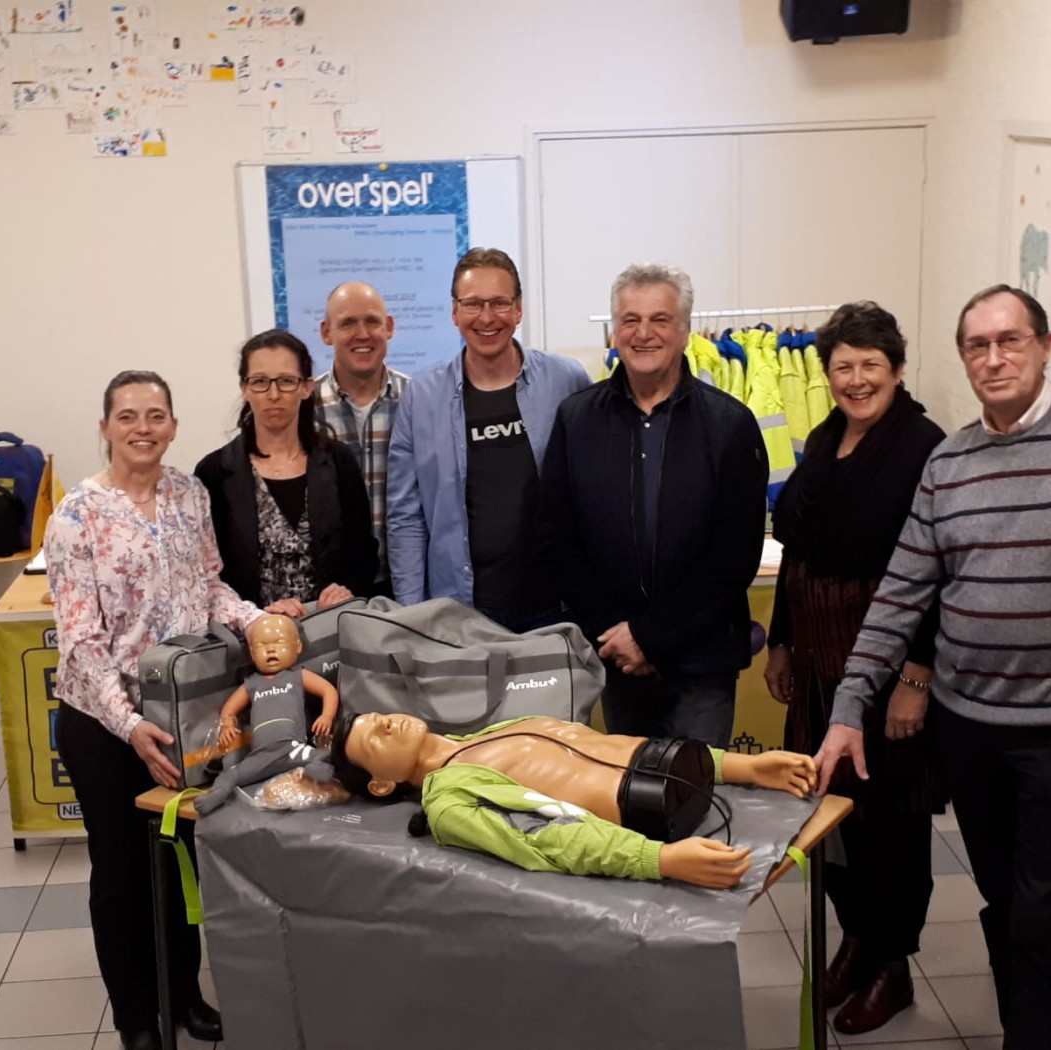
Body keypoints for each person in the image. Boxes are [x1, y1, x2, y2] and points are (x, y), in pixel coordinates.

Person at [814, 285, 1051, 1050]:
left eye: (1009, 340)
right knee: (1005, 903)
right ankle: (1027, 1026)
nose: (993, 358)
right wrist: (849, 706)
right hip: (969, 730)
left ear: (1044, 346)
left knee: (1043, 917)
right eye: (976, 345)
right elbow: (901, 594)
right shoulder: (949, 462)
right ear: (962, 358)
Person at [46, 370, 264, 1050]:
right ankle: (137, 1017)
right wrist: (128, 723)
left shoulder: (189, 494)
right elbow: (81, 641)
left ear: (172, 425)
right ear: (105, 427)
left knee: (179, 858)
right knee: (120, 875)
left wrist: (253, 620)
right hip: (104, 724)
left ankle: (184, 995)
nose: (143, 427)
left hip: (181, 711)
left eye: (156, 415)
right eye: (127, 416)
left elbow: (209, 586)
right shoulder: (75, 516)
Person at [761, 301, 945, 1034]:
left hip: (887, 675)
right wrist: (781, 642)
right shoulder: (823, 437)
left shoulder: (924, 448)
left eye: (871, 364)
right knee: (828, 819)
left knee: (890, 827)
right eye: (843, 366)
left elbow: (939, 573)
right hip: (816, 667)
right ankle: (856, 939)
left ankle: (892, 963)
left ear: (896, 370)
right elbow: (797, 554)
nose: (857, 379)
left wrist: (916, 679)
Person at [538, 263, 767, 748]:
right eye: (630, 320)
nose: (644, 333)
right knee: (630, 791)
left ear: (685, 330)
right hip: (616, 658)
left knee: (694, 788)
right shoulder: (576, 420)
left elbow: (734, 556)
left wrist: (650, 637)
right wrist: (619, 635)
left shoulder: (731, 425)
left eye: (660, 319)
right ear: (614, 331)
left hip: (702, 663)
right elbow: (557, 540)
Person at [328, 711, 817, 887]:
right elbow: (544, 839)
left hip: (674, 767)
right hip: (649, 813)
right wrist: (657, 859)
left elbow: (611, 745)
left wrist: (740, 766)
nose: (386, 722)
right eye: (374, 738)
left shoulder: (491, 731)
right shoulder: (449, 802)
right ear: (381, 785)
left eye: (378, 715)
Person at [386, 247, 590, 630]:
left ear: (518, 308)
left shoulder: (566, 380)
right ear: (454, 311)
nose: (486, 317)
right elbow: (406, 517)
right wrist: (410, 616)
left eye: (499, 302)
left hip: (557, 608)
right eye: (473, 304)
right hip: (460, 613)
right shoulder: (422, 397)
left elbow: (596, 492)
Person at [196, 328, 377, 616]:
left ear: (306, 387)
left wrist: (346, 589)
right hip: (251, 632)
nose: (273, 394)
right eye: (260, 382)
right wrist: (254, 614)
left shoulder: (338, 461)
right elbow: (210, 575)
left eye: (286, 381)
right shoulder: (214, 473)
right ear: (244, 388)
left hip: (331, 626)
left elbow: (364, 554)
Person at [316, 281, 410, 595]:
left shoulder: (419, 401)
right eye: (347, 324)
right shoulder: (303, 408)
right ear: (326, 332)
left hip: (406, 584)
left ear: (389, 327)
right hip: (330, 591)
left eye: (372, 321)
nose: (362, 334)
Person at [193, 614, 338, 816]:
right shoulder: (252, 683)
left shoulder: (297, 676)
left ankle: (318, 772)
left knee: (326, 755)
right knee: (231, 775)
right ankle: (217, 794)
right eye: (262, 646)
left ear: (297, 647)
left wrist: (326, 717)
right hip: (260, 756)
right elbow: (229, 708)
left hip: (292, 749)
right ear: (252, 653)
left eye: (279, 643)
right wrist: (227, 725)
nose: (270, 650)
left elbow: (328, 690)